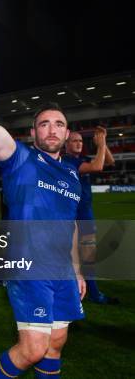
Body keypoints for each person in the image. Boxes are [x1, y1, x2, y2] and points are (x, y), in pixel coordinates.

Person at [0, 40, 85, 378]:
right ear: (34, 133)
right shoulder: (21, 159)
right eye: (44, 124)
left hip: (61, 270)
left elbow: (71, 225)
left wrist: (76, 270)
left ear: (67, 132)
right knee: (32, 349)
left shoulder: (72, 176)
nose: (52, 129)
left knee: (56, 342)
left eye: (58, 124)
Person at [63, 127, 118, 304]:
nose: (79, 143)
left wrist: (104, 142)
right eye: (74, 141)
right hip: (73, 214)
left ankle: (91, 292)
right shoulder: (68, 161)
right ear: (66, 144)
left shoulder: (81, 159)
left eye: (80, 141)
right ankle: (87, 293)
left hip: (84, 212)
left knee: (87, 254)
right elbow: (98, 166)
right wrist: (100, 144)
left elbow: (110, 162)